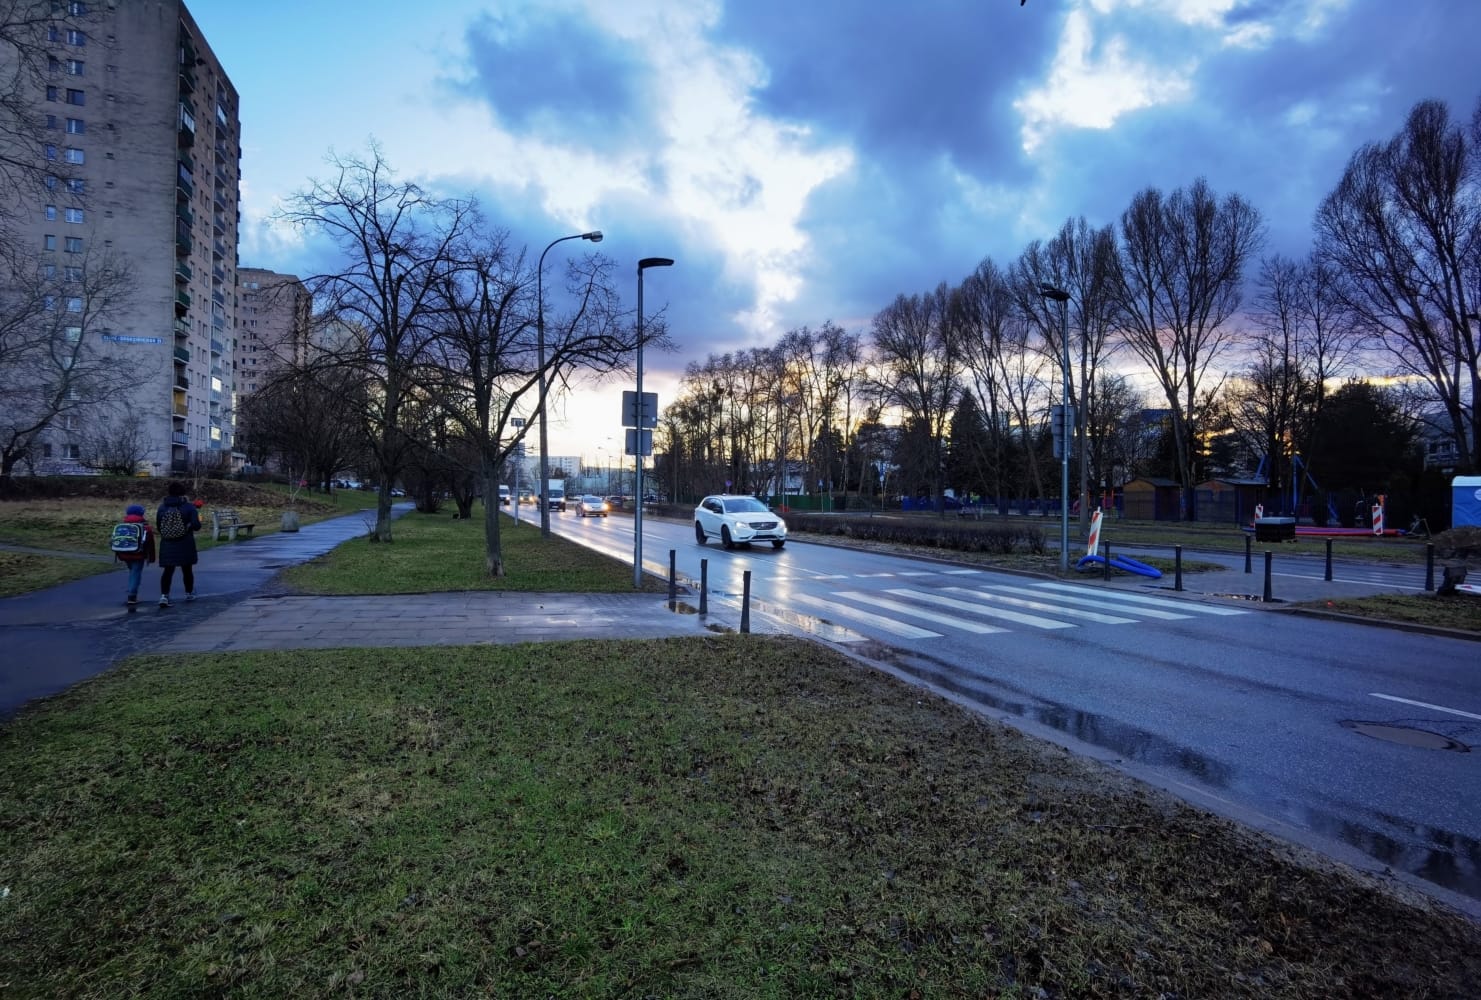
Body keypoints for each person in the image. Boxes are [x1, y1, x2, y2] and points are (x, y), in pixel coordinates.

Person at [155, 481, 202, 607]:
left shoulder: (162, 507)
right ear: (183, 493)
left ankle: (164, 596)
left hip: (167, 543)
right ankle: (189, 593)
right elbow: (197, 526)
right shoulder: (189, 507)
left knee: (168, 571)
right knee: (187, 569)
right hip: (185, 542)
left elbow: (159, 526)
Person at [114, 503, 156, 606]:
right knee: (135, 573)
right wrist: (151, 558)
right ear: (141, 513)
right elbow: (150, 544)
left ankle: (132, 592)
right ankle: (132, 596)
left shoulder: (122, 525)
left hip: (123, 554)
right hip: (138, 554)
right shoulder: (146, 527)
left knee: (132, 572)